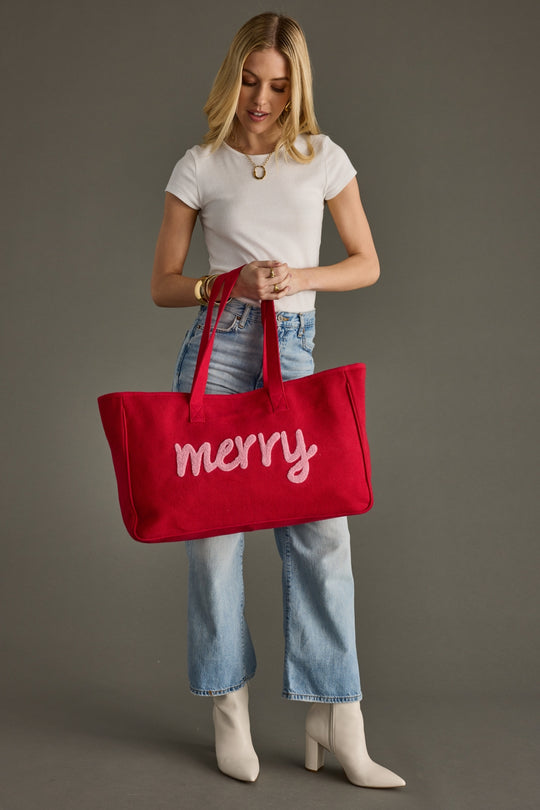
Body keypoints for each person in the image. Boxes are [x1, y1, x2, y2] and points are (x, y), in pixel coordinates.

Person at [151, 12, 405, 788]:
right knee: (213, 537)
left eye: (280, 85)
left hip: (292, 349)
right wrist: (223, 283)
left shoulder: (322, 158)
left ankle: (337, 715)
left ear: (298, 87)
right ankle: (229, 710)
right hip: (219, 350)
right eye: (252, 81)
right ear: (233, 76)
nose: (262, 99)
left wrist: (299, 277)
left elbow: (366, 263)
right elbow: (163, 285)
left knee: (323, 533)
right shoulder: (198, 167)